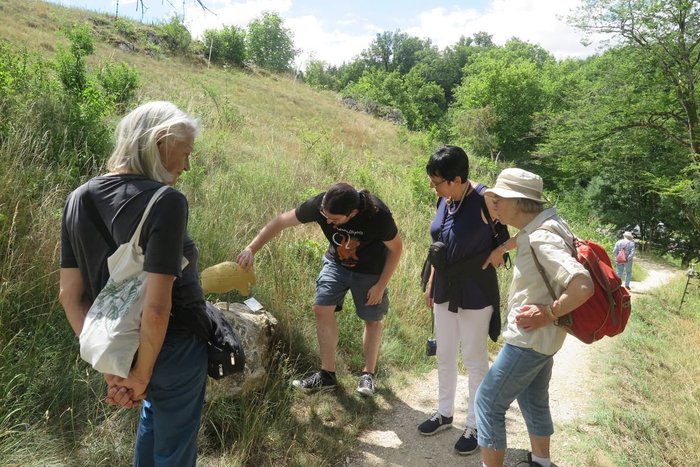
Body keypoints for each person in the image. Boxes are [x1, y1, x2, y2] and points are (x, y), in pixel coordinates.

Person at [59, 101, 210, 466]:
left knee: (151, 429)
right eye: (185, 152)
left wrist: (115, 368)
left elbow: (69, 296)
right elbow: (157, 308)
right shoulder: (167, 202)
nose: (187, 166)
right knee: (173, 453)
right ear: (160, 141)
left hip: (120, 348)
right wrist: (142, 374)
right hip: (174, 348)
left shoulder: (76, 199)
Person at [475, 168, 594, 467]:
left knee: (488, 403)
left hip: (528, 339)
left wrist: (549, 312)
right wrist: (502, 247)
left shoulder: (541, 236)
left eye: (499, 199)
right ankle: (542, 461)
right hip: (547, 339)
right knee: (533, 399)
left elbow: (583, 286)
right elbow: (527, 237)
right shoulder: (551, 223)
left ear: (518, 202)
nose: (494, 206)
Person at [236, 182, 402, 396]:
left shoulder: (377, 215)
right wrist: (251, 248)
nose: (328, 222)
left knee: (371, 319)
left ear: (352, 213)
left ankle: (367, 375)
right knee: (321, 307)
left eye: (334, 220)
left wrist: (380, 286)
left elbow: (397, 249)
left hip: (371, 271)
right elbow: (280, 222)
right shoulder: (320, 205)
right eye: (325, 216)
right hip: (336, 264)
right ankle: (326, 375)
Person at [418, 145, 514, 456]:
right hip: (445, 286)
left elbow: (529, 229)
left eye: (438, 182)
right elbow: (439, 242)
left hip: (475, 289)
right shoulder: (445, 199)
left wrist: (500, 250)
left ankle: (475, 424)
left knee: (474, 360)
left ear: (457, 179)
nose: (435, 188)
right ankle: (444, 413)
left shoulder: (487, 199)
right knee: (445, 354)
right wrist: (433, 282)